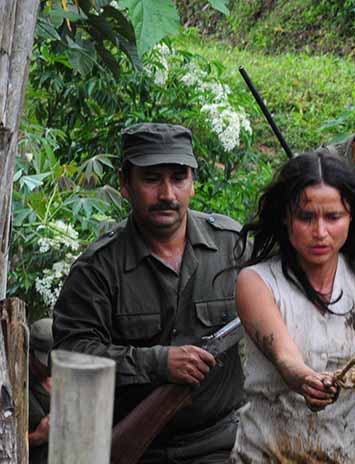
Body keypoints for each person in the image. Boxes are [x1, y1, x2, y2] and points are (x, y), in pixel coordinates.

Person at [54, 123, 245, 463]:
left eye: (179, 178)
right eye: (152, 179)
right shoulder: (98, 268)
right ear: (125, 184)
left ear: (193, 182)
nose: (167, 194)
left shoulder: (232, 246)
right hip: (140, 451)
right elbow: (73, 355)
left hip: (223, 442)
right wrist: (159, 363)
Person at [231, 151, 355, 464]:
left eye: (333, 217)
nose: (320, 232)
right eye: (306, 217)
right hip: (265, 456)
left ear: (351, 217)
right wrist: (305, 379)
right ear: (285, 218)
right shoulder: (257, 282)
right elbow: (286, 359)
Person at [27, 318, 53, 464]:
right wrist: (38, 437)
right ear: (31, 353)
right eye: (47, 363)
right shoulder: (17, 385)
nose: (52, 369)